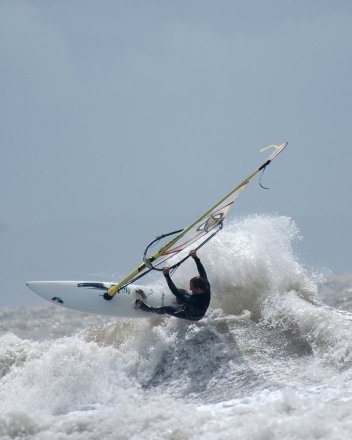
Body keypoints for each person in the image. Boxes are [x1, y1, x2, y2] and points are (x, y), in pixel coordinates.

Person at [135, 250, 210, 321]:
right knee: (182, 291)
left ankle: (144, 307)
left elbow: (175, 292)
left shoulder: (193, 300)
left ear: (198, 289)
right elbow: (202, 272)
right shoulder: (205, 284)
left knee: (166, 309)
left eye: (192, 288)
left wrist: (166, 275)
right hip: (195, 306)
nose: (190, 289)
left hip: (191, 315)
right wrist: (195, 258)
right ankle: (178, 303)